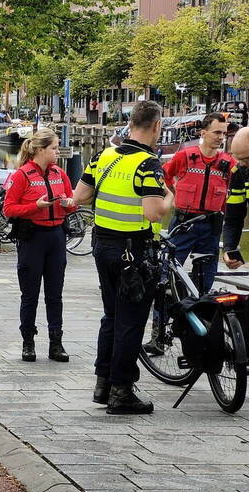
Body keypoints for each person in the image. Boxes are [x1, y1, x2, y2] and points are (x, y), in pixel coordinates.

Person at [73, 100, 173, 415]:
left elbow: (80, 197)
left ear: (130, 123)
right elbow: (153, 211)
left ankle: (103, 383)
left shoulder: (104, 155)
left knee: (111, 316)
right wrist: (170, 196)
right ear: (156, 126)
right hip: (134, 251)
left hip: (103, 245)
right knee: (131, 320)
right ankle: (121, 390)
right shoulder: (148, 163)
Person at [2, 128, 77, 363]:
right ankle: (28, 342)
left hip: (55, 236)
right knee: (30, 295)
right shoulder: (22, 175)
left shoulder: (59, 173)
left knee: (55, 295)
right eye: (54, 148)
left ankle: (56, 343)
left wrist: (68, 203)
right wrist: (35, 206)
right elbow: (9, 209)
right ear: (40, 150)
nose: (57, 152)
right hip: (32, 238)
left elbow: (72, 203)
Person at [160, 112, 235, 293]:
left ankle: (200, 315)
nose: (221, 138)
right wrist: (173, 193)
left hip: (211, 225)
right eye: (217, 132)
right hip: (184, 223)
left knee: (206, 277)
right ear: (203, 133)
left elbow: (236, 193)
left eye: (224, 133)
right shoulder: (185, 157)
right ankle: (161, 317)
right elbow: (163, 175)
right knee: (168, 272)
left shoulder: (228, 163)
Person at [221, 126, 249, 270]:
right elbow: (234, 217)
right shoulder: (239, 172)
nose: (242, 164)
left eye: (246, 159)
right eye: (238, 159)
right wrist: (229, 248)